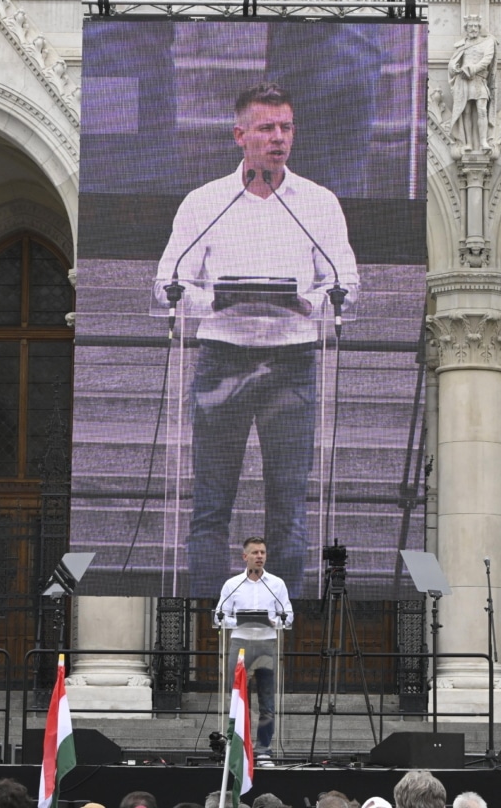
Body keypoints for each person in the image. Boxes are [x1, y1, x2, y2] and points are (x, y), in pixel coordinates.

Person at [155, 81, 359, 598]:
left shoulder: (317, 202)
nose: (278, 138)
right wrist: (217, 300)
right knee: (210, 504)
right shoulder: (206, 203)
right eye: (266, 128)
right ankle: (205, 613)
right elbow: (167, 284)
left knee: (287, 504)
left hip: (291, 359)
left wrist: (306, 302)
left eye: (286, 127)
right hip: (222, 357)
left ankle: (283, 617)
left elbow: (346, 283)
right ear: (239, 135)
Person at [215, 536, 294, 765]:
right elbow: (218, 615)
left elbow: (288, 617)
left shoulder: (276, 583)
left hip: (267, 645)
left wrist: (273, 622)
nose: (260, 556)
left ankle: (263, 751)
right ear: (245, 557)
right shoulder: (233, 584)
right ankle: (240, 749)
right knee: (239, 699)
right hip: (240, 644)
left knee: (267, 701)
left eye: (262, 552)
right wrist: (239, 621)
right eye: (255, 553)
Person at [448, 16, 497, 153]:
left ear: (479, 28)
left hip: (479, 79)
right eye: (471, 26)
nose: (473, 29)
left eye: (476, 26)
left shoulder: (488, 42)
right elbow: (453, 62)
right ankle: (468, 142)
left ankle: (483, 141)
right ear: (466, 28)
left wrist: (472, 69)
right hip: (464, 81)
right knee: (467, 111)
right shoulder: (461, 45)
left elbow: (487, 59)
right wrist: (455, 68)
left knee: (482, 109)